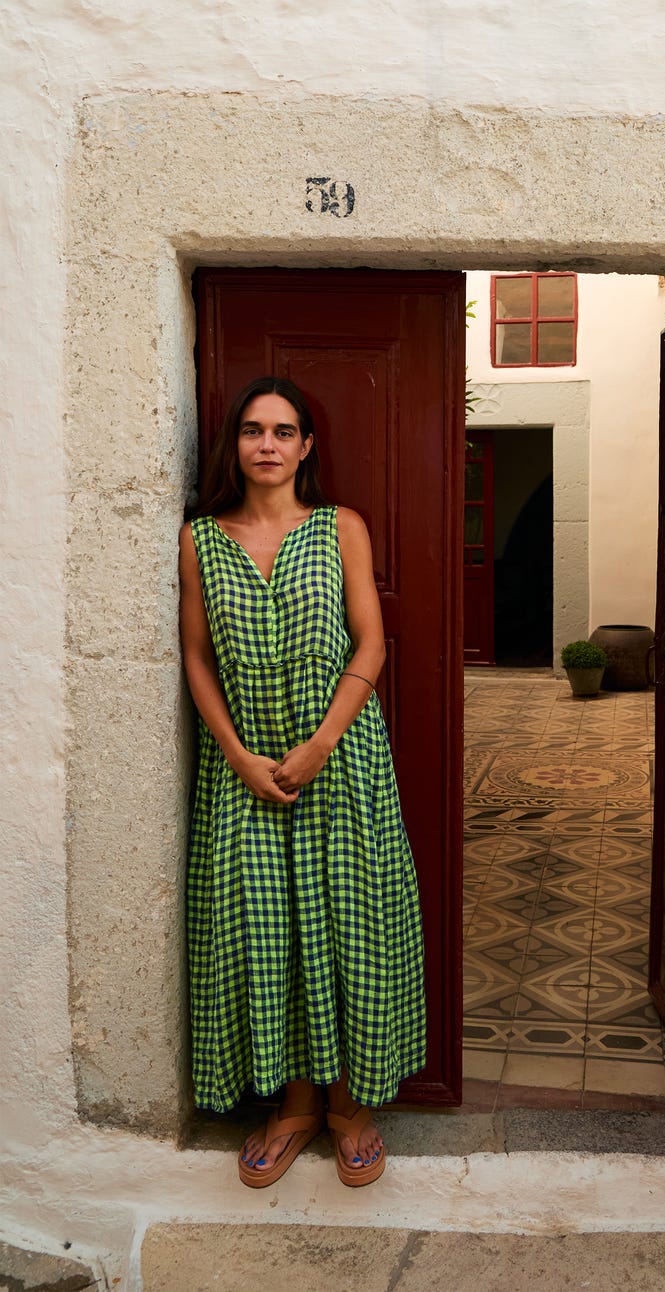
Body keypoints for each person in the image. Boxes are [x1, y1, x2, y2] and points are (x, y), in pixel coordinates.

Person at [178, 375, 426, 1188]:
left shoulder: (339, 528)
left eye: (284, 432)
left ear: (306, 447)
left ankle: (351, 1104)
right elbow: (196, 658)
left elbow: (371, 644)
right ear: (235, 445)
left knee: (350, 923)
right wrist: (240, 757)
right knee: (267, 931)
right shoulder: (201, 541)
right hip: (242, 773)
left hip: (343, 763)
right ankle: (293, 1106)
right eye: (253, 431)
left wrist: (321, 742)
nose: (268, 445)